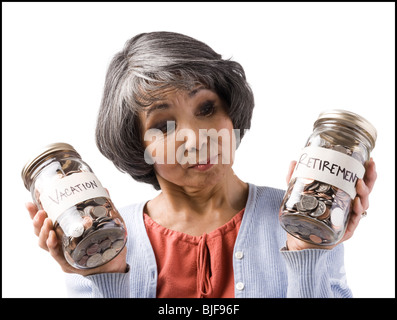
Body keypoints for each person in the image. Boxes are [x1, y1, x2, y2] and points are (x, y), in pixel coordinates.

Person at [26, 31, 377, 298]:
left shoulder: (304, 223)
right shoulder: (97, 240)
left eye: (206, 109)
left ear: (230, 113)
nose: (195, 139)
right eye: (163, 126)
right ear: (138, 146)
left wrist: (309, 256)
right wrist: (106, 277)